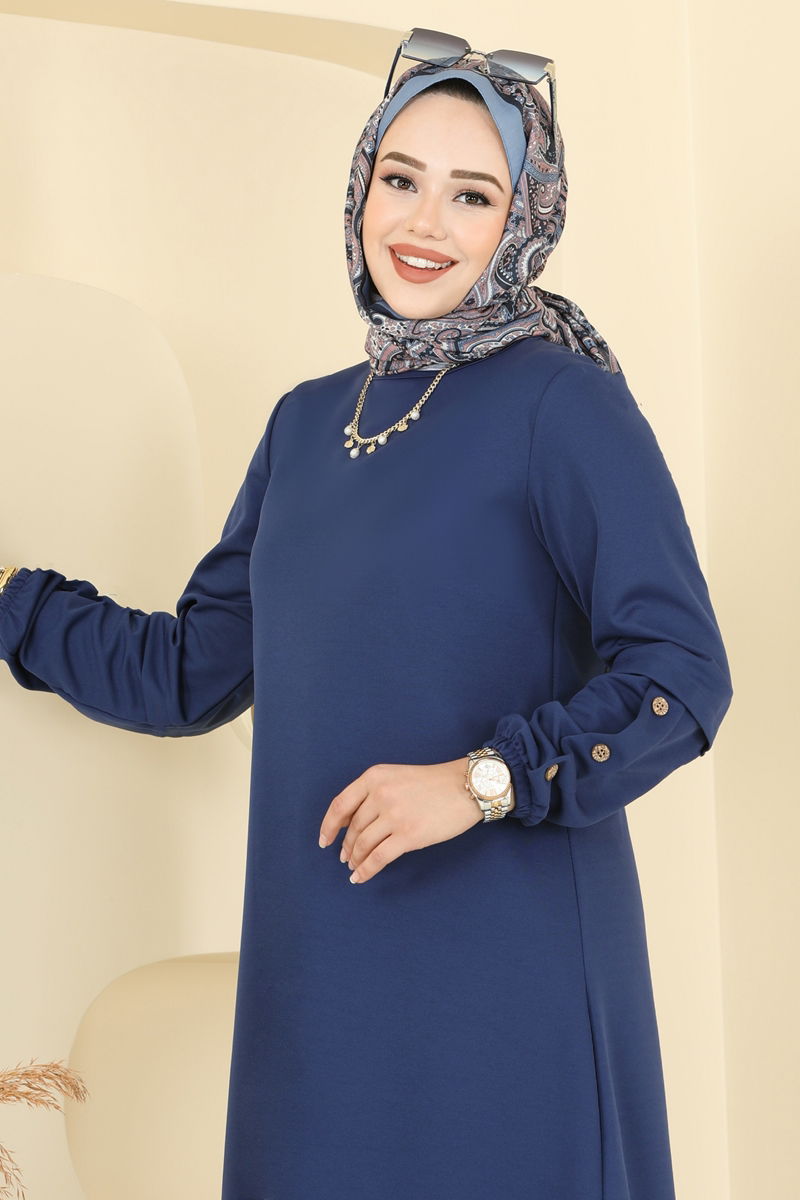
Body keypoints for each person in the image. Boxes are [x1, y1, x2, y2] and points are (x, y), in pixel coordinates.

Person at [0, 31, 733, 1200]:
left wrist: (478, 780)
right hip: (324, 981)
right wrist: (13, 605)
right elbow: (192, 671)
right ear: (358, 189)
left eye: (471, 193)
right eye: (400, 178)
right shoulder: (304, 425)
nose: (423, 223)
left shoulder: (562, 404)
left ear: (522, 218)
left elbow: (680, 674)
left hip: (506, 980)